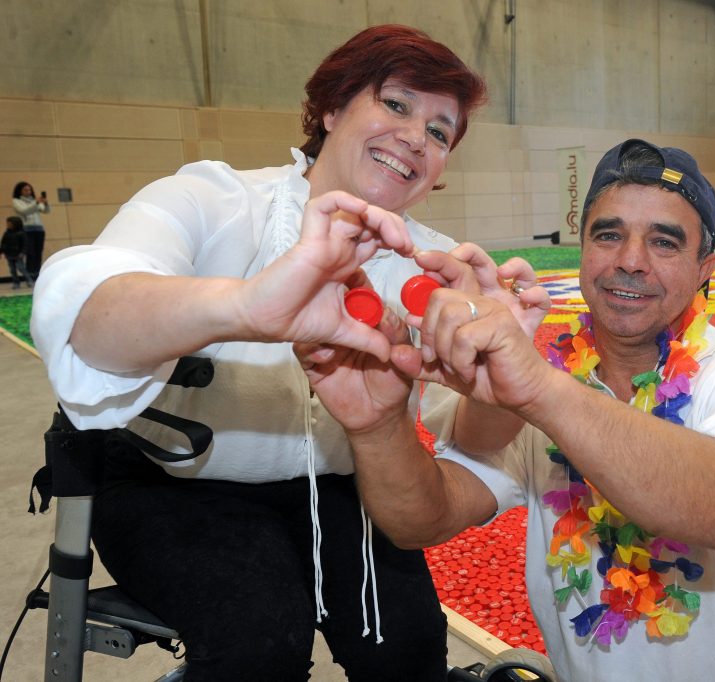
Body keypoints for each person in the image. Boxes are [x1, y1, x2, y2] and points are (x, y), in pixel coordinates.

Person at [30, 25, 486, 681]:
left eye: (441, 131)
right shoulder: (216, 198)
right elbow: (88, 307)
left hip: (339, 486)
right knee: (260, 642)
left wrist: (499, 359)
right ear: (329, 108)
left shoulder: (436, 267)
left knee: (409, 647)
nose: (418, 136)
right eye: (396, 104)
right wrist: (245, 305)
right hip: (175, 483)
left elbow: (470, 437)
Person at [298, 139, 715, 681]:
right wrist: (375, 424)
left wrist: (537, 389)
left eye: (665, 242)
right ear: (583, 250)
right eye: (609, 235)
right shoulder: (547, 387)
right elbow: (419, 518)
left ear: (705, 269)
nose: (630, 261)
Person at [12, 181, 49, 278]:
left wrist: (45, 203)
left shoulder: (34, 200)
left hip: (39, 229)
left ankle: (37, 273)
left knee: (38, 251)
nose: (28, 191)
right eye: (25, 190)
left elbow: (45, 210)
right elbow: (24, 211)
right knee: (30, 252)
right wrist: (36, 203)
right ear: (20, 191)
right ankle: (30, 274)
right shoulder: (17, 201)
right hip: (27, 229)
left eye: (29, 189)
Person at [2, 216, 34, 289]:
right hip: (9, 254)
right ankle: (16, 283)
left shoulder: (21, 233)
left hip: (18, 254)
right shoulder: (6, 233)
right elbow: (3, 243)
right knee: (12, 270)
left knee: (21, 268)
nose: (8, 225)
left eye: (9, 224)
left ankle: (29, 280)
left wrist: (22, 252)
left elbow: (25, 244)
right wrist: (2, 251)